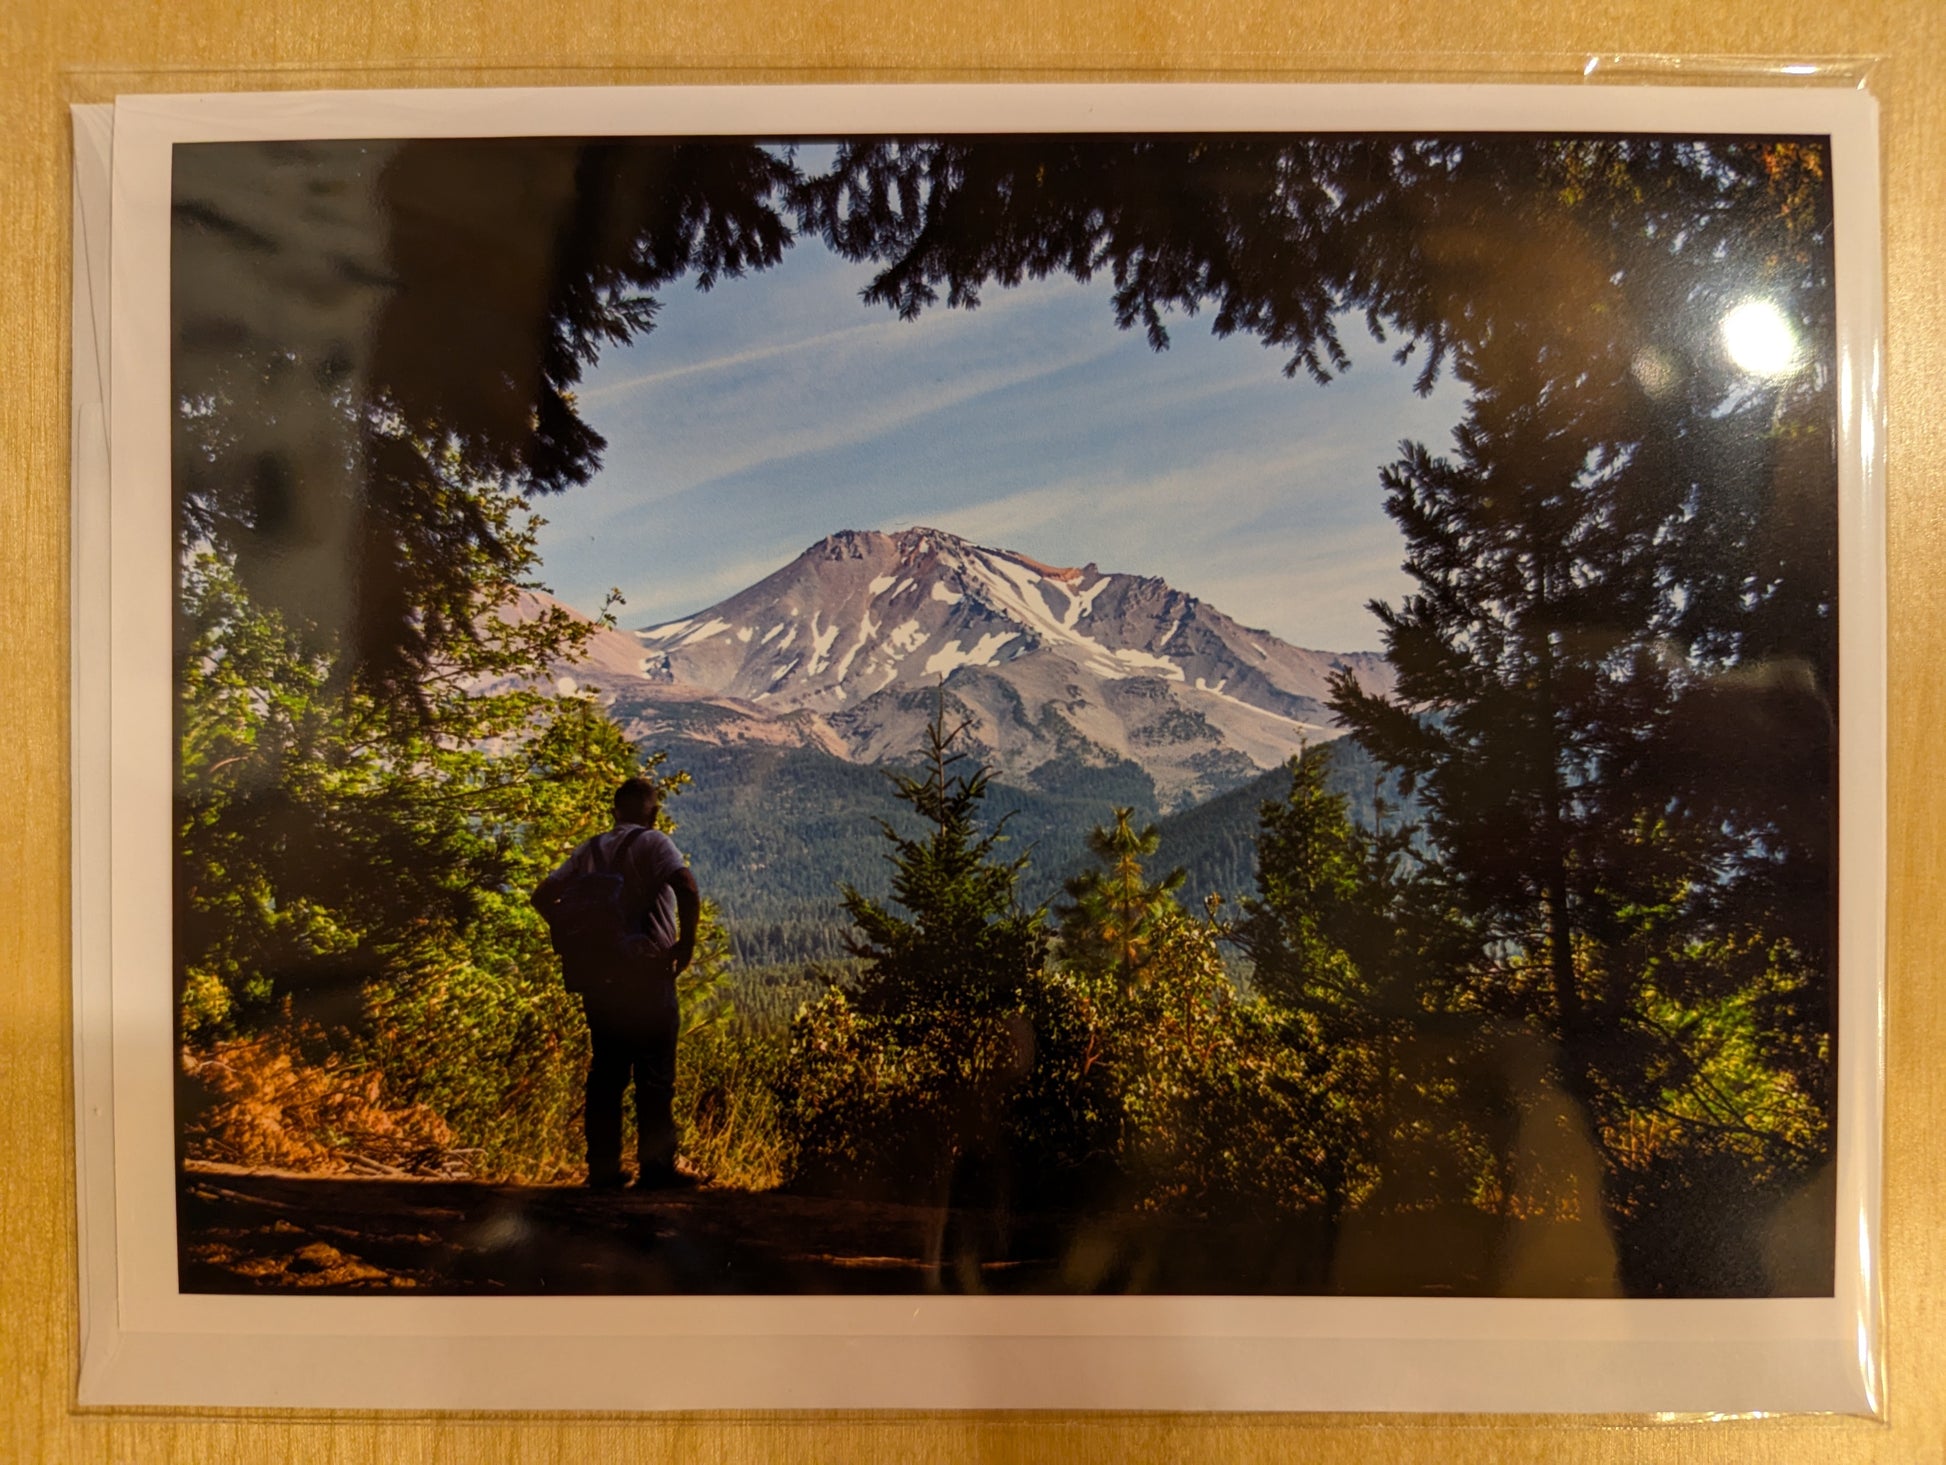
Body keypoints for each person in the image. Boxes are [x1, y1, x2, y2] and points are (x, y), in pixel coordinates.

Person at [535, 776, 701, 1190]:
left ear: (615, 811)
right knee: (655, 1072)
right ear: (653, 813)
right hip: (647, 973)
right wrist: (686, 945)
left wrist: (571, 932)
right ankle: (657, 1169)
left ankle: (603, 1169)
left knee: (607, 1071)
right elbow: (687, 886)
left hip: (600, 977)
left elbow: (543, 895)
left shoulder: (589, 850)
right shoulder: (654, 842)